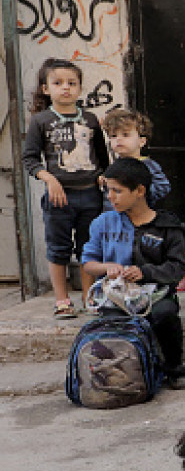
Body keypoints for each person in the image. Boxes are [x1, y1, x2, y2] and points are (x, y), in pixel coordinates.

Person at [81, 158, 185, 390]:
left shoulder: (167, 226)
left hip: (156, 295)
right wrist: (107, 268)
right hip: (115, 297)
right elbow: (88, 263)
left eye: (117, 191)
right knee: (109, 323)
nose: (110, 197)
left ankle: (175, 371)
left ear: (140, 191)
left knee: (165, 314)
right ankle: (112, 375)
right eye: (108, 190)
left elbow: (178, 268)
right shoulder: (102, 223)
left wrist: (145, 272)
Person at [21, 58, 110, 319]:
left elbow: (103, 160)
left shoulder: (91, 120)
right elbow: (30, 159)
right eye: (58, 83)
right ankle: (62, 300)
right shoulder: (41, 121)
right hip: (59, 197)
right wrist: (49, 179)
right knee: (58, 248)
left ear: (80, 88)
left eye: (72, 83)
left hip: (91, 195)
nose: (66, 88)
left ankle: (88, 297)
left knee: (89, 248)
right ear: (46, 89)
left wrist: (104, 177)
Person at [100, 107, 171, 207]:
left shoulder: (149, 165)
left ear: (142, 141)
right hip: (115, 217)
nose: (119, 139)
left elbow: (163, 188)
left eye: (125, 135)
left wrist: (138, 190)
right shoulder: (114, 166)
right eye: (113, 136)